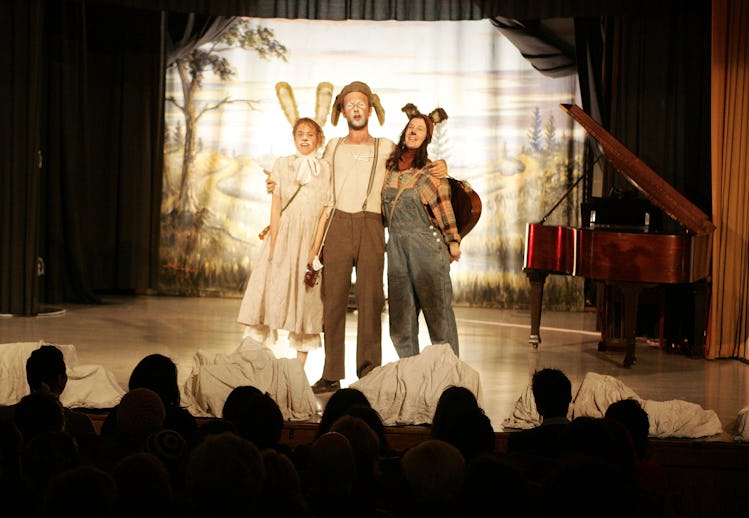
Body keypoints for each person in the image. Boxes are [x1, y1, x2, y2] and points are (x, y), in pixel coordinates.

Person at [267, 82, 447, 393]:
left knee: (370, 299)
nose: (355, 108)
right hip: (337, 223)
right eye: (349, 103)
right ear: (342, 110)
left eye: (361, 103)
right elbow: (312, 180)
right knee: (332, 300)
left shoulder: (387, 145)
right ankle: (331, 373)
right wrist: (277, 184)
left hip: (371, 225)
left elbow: (413, 165)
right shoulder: (333, 146)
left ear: (370, 108)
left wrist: (438, 166)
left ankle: (369, 372)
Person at [238, 116, 332, 368]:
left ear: (319, 139)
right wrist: (274, 243)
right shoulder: (282, 164)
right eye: (300, 133)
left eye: (310, 134)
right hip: (283, 237)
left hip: (308, 240)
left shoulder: (326, 170)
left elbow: (325, 212)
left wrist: (315, 249)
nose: (304, 138)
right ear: (294, 138)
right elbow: (276, 205)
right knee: (271, 293)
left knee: (305, 299)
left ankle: (297, 371)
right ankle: (257, 364)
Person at [382, 105, 461, 358]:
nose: (413, 131)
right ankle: (410, 373)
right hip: (396, 248)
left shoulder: (431, 172)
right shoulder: (389, 170)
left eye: (420, 129)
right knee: (401, 321)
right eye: (411, 128)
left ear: (427, 138)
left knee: (439, 319)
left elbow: (444, 205)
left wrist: (453, 242)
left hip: (427, 247)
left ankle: (449, 377)